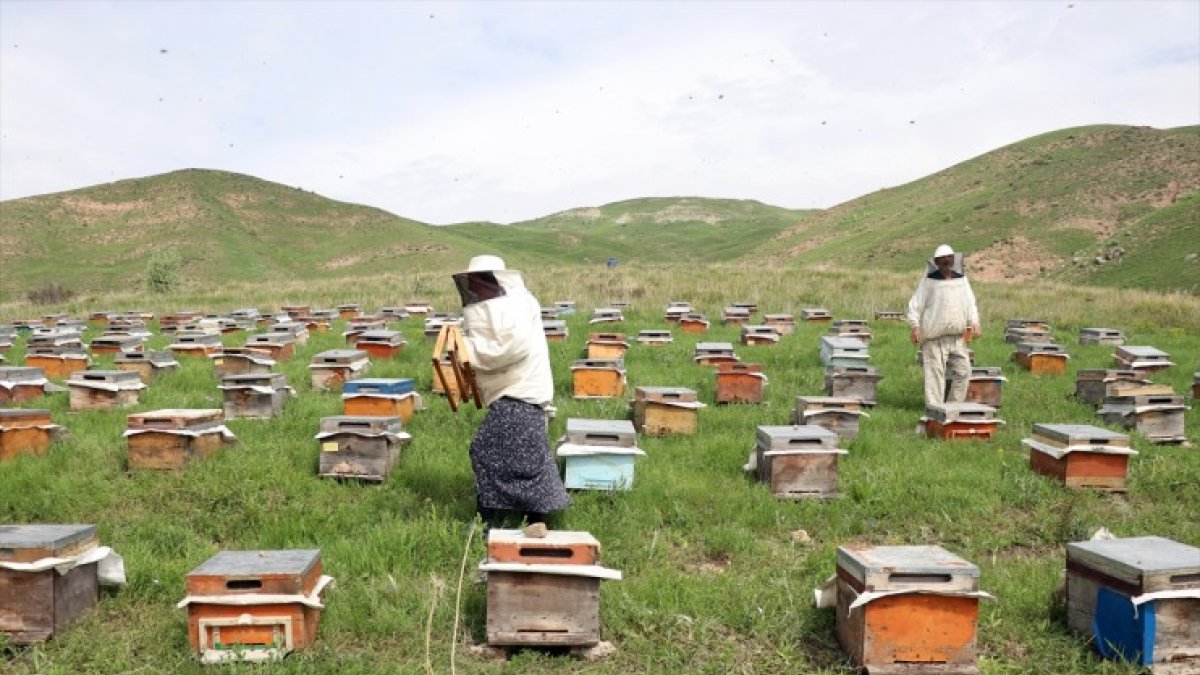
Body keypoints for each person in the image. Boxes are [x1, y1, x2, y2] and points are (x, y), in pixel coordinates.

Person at [452, 254, 569, 528]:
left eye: (475, 282)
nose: (472, 289)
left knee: (486, 449)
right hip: (517, 392)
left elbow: (509, 349)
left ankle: (490, 517)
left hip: (521, 391)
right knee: (527, 455)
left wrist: (468, 349)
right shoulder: (505, 304)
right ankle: (535, 515)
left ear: (490, 280)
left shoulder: (516, 305)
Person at [906, 244, 981, 407]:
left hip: (957, 339)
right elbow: (915, 305)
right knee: (935, 380)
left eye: (949, 258)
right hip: (934, 340)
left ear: (954, 260)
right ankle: (935, 413)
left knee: (964, 372)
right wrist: (915, 326)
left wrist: (974, 322)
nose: (946, 261)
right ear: (937, 262)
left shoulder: (962, 280)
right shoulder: (929, 282)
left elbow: (970, 303)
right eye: (942, 259)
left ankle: (953, 409)